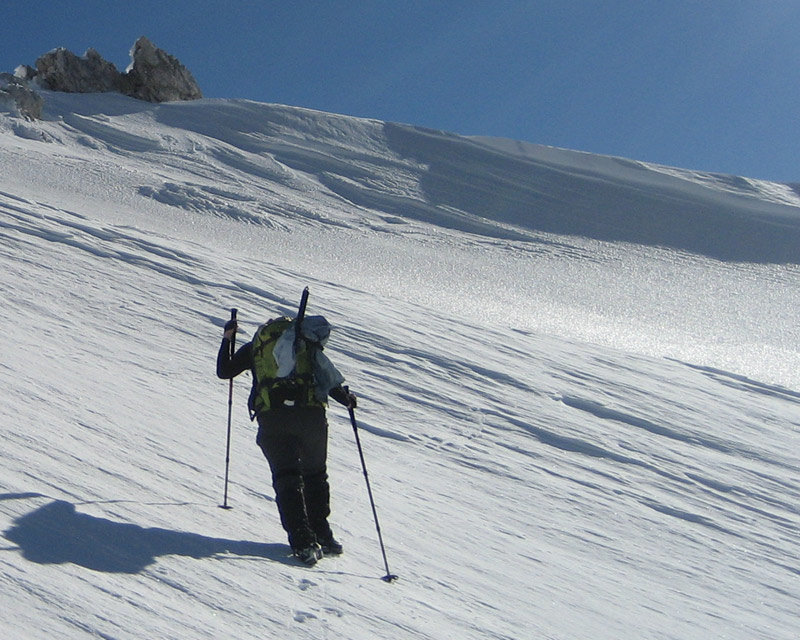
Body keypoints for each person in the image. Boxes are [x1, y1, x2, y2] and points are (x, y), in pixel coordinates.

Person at [216, 313, 357, 566]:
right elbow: (327, 377)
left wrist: (228, 339)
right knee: (315, 475)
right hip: (310, 418)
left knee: (287, 477)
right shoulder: (303, 345)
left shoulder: (256, 348)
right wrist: (345, 398)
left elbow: (224, 372)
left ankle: (303, 541)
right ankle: (323, 534)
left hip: (273, 419)